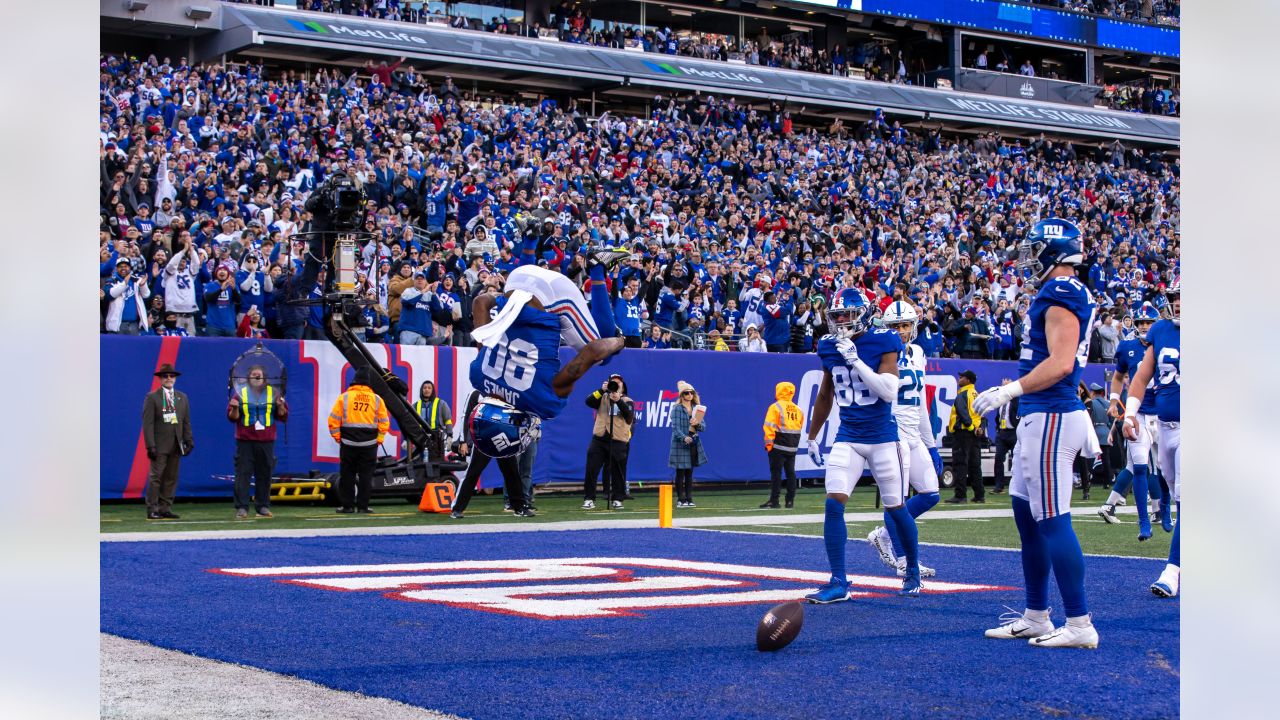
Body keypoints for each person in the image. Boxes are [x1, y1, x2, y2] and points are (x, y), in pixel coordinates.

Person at [974, 218, 1101, 648]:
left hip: (1051, 415)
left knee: (1052, 520)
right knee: (1028, 519)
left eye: (1034, 251)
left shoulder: (1060, 290)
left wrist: (1009, 389)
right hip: (1040, 414)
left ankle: (1080, 624)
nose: (1029, 260)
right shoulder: (1063, 291)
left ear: (1055, 251)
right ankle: (1036, 616)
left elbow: (1063, 362)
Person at [804, 289, 918, 601]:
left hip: (883, 438)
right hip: (849, 436)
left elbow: (887, 391)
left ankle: (913, 571)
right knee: (833, 503)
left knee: (896, 508)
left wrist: (855, 360)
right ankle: (839, 581)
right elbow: (826, 394)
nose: (841, 322)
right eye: (836, 316)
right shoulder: (828, 345)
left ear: (864, 314)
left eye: (847, 315)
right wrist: (811, 435)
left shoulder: (883, 340)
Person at [466, 254, 628, 462]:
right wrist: (505, 298)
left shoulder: (543, 401)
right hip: (518, 279)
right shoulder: (478, 376)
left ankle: (597, 268)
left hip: (554, 296)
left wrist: (622, 341)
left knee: (604, 356)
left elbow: (594, 350)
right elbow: (480, 302)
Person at [867, 301, 943, 577]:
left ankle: (884, 535)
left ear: (913, 326)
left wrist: (931, 444)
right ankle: (903, 560)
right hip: (891, 433)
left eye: (905, 325)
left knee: (930, 493)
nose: (900, 330)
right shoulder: (880, 353)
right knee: (896, 499)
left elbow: (921, 400)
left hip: (914, 433)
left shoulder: (919, 352)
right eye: (895, 326)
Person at [1122, 280, 1180, 598]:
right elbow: (1142, 376)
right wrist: (1130, 412)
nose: (1180, 302)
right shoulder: (1160, 330)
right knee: (1173, 487)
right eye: (1175, 297)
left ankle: (1171, 572)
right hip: (1166, 425)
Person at [1099, 303, 1165, 536]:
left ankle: (1158, 508)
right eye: (1141, 323)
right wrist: (1115, 401)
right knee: (1141, 465)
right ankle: (1151, 514)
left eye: (1149, 323)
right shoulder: (1127, 347)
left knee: (1159, 467)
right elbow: (1118, 376)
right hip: (1138, 414)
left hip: (1165, 413)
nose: (1145, 326)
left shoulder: (1168, 343)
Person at [227, 365, 288, 519]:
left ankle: (262, 507)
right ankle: (242, 508)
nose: (256, 376)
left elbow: (283, 416)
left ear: (264, 377)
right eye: (253, 374)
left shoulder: (274, 393)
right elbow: (232, 418)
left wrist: (280, 406)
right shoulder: (239, 394)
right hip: (245, 440)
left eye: (258, 374)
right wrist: (234, 409)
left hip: (266, 441)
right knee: (243, 474)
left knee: (265, 474)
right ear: (249, 377)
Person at [326, 367, 390, 514]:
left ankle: (347, 506)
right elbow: (384, 422)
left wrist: (338, 438)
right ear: (368, 383)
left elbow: (333, 420)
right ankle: (363, 507)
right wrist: (378, 440)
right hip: (369, 445)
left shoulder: (345, 397)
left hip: (348, 444)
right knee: (366, 476)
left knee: (347, 476)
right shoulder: (377, 399)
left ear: (354, 381)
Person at [141, 364, 193, 520]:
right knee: (156, 478)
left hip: (176, 444)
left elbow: (186, 421)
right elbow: (147, 423)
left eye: (171, 376)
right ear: (160, 379)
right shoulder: (152, 397)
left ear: (175, 378)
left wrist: (189, 440)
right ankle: (152, 509)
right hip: (159, 444)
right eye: (165, 376)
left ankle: (165, 508)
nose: (169, 378)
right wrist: (150, 445)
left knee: (171, 478)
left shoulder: (182, 397)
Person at [583, 373, 635, 510]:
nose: (615, 385)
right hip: (599, 438)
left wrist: (618, 400)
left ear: (622, 386)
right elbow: (588, 401)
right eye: (613, 382)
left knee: (618, 471)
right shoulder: (602, 397)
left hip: (618, 440)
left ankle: (618, 498)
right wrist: (601, 390)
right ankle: (589, 498)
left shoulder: (628, 400)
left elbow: (629, 417)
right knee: (591, 469)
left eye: (618, 383)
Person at [760, 381, 803, 509]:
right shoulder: (798, 409)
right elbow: (799, 426)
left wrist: (769, 445)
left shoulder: (775, 407)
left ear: (778, 391)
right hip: (792, 446)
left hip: (777, 446)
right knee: (791, 473)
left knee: (776, 474)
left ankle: (774, 501)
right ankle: (790, 501)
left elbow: (768, 427)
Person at [946, 370, 985, 504]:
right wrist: (979, 429)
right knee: (975, 464)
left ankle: (960, 495)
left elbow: (962, 413)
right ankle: (979, 495)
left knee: (960, 464)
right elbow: (983, 414)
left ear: (968, 380)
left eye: (962, 377)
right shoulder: (977, 395)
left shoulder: (963, 394)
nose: (959, 378)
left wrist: (971, 427)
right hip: (975, 434)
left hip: (963, 433)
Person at [668, 381, 707, 508]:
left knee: (689, 472)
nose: (689, 395)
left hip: (693, 441)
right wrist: (684, 438)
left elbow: (704, 427)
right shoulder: (677, 409)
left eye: (691, 392)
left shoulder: (697, 408)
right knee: (681, 472)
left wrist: (697, 424)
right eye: (686, 393)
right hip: (680, 443)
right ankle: (681, 499)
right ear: (681, 395)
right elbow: (676, 428)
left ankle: (689, 498)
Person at [992, 378, 1020, 495]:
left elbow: (1017, 409)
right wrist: (998, 428)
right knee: (998, 458)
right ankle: (999, 486)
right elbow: (998, 415)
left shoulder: (1015, 400)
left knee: (1016, 460)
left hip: (1013, 432)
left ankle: (1017, 485)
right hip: (1002, 433)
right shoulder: (1001, 401)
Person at [1084, 383, 1112, 503]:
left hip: (1095, 431)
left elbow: (1090, 417)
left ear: (1094, 393)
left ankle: (1089, 479)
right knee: (1106, 458)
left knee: (1090, 457)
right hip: (1106, 431)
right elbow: (1111, 419)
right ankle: (1107, 482)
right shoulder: (1108, 403)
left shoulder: (1092, 403)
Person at [414, 380, 453, 459]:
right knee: (421, 465)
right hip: (421, 439)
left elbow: (448, 420)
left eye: (429, 388)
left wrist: (450, 436)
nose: (427, 390)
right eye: (424, 388)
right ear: (422, 390)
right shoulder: (415, 405)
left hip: (437, 440)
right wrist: (406, 439)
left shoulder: (441, 404)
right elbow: (411, 423)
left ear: (433, 390)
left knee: (438, 465)